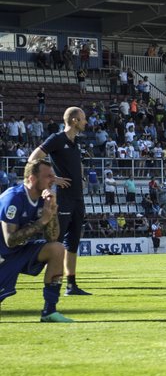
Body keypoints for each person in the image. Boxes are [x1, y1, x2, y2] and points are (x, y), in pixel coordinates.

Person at [29, 106, 91, 296]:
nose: (86, 122)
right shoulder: (57, 139)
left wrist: (81, 177)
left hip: (78, 198)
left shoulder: (74, 143)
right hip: (62, 199)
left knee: (73, 242)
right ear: (74, 121)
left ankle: (71, 285)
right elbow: (33, 159)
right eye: (83, 119)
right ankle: (40, 275)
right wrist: (53, 179)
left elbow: (76, 163)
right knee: (55, 243)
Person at [0, 160, 71, 322]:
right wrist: (42, 221)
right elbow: (10, 240)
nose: (53, 179)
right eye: (48, 176)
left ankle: (50, 311)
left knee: (57, 249)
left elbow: (52, 238)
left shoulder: (43, 199)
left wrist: (51, 213)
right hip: (3, 255)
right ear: (32, 179)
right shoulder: (14, 198)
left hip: (18, 252)